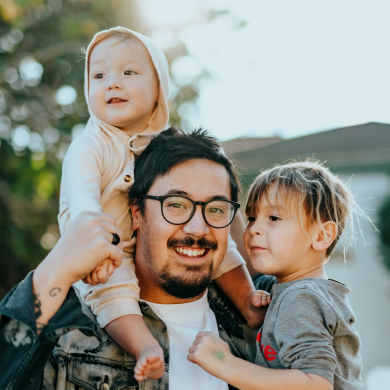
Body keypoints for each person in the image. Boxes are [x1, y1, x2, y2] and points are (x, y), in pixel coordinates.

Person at [58, 26, 264, 380]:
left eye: (128, 72)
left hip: (130, 243)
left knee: (221, 242)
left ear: (159, 92)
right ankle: (145, 345)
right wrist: (95, 252)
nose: (113, 83)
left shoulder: (164, 149)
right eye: (99, 75)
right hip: (103, 252)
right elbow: (84, 207)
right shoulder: (89, 145)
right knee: (113, 292)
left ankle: (248, 300)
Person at [0, 128, 273, 390]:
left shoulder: (272, 315)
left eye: (216, 209)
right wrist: (55, 269)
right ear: (137, 212)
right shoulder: (70, 331)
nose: (198, 229)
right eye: (176, 204)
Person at [189, 161, 372, 390]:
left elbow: (316, 384)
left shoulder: (300, 299)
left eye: (274, 218)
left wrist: (226, 365)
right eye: (252, 218)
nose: (254, 228)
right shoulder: (296, 291)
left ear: (322, 235)